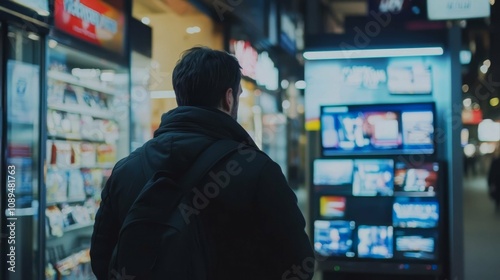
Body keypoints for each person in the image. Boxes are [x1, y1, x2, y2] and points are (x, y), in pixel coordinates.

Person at [90, 46, 315, 280]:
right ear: (229, 98)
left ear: (180, 96)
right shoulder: (257, 170)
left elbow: (101, 258)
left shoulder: (127, 168)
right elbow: (299, 262)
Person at [487, 142, 500, 211]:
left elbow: (491, 173)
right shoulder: (495, 161)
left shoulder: (495, 161)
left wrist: (490, 183)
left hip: (497, 182)